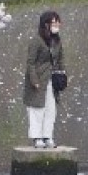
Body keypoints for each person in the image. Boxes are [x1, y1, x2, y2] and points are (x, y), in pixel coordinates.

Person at [23, 11, 65, 149]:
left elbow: (60, 59)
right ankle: (37, 137)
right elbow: (30, 62)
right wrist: (34, 80)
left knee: (51, 110)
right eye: (54, 23)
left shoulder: (57, 41)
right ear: (46, 24)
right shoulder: (36, 41)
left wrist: (62, 75)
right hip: (39, 80)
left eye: (57, 23)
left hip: (51, 81)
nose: (57, 25)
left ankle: (48, 136)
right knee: (37, 109)